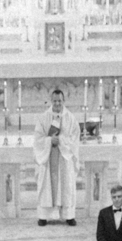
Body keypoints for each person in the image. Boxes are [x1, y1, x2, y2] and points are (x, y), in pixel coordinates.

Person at [33, 87, 80, 225]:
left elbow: (74, 138)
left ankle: (68, 215)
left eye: (60, 101)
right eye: (55, 101)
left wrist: (61, 141)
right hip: (48, 157)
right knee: (46, 185)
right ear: (51, 101)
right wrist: (48, 141)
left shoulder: (70, 118)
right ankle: (43, 216)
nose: (57, 104)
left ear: (63, 101)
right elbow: (37, 138)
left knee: (66, 185)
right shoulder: (43, 118)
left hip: (64, 158)